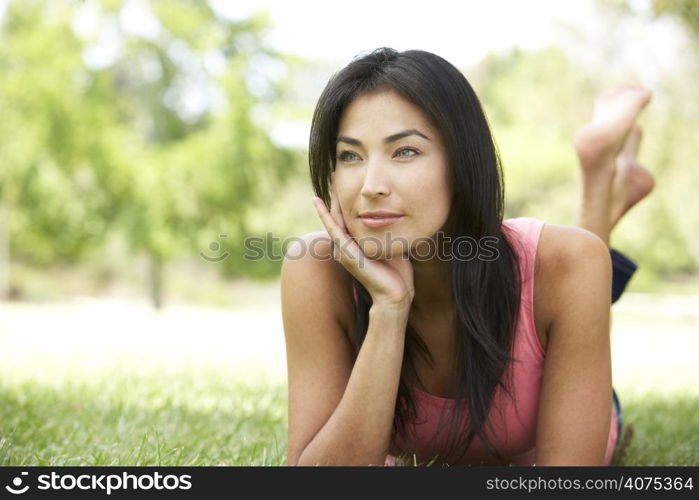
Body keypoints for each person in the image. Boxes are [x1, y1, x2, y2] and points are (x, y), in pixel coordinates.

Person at [281, 47, 653, 466]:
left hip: (559, 382)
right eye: (350, 155)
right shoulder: (314, 268)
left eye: (405, 151)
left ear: (460, 165)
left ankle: (601, 178)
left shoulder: (566, 260)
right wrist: (388, 309)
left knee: (582, 262)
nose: (371, 186)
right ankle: (608, 177)